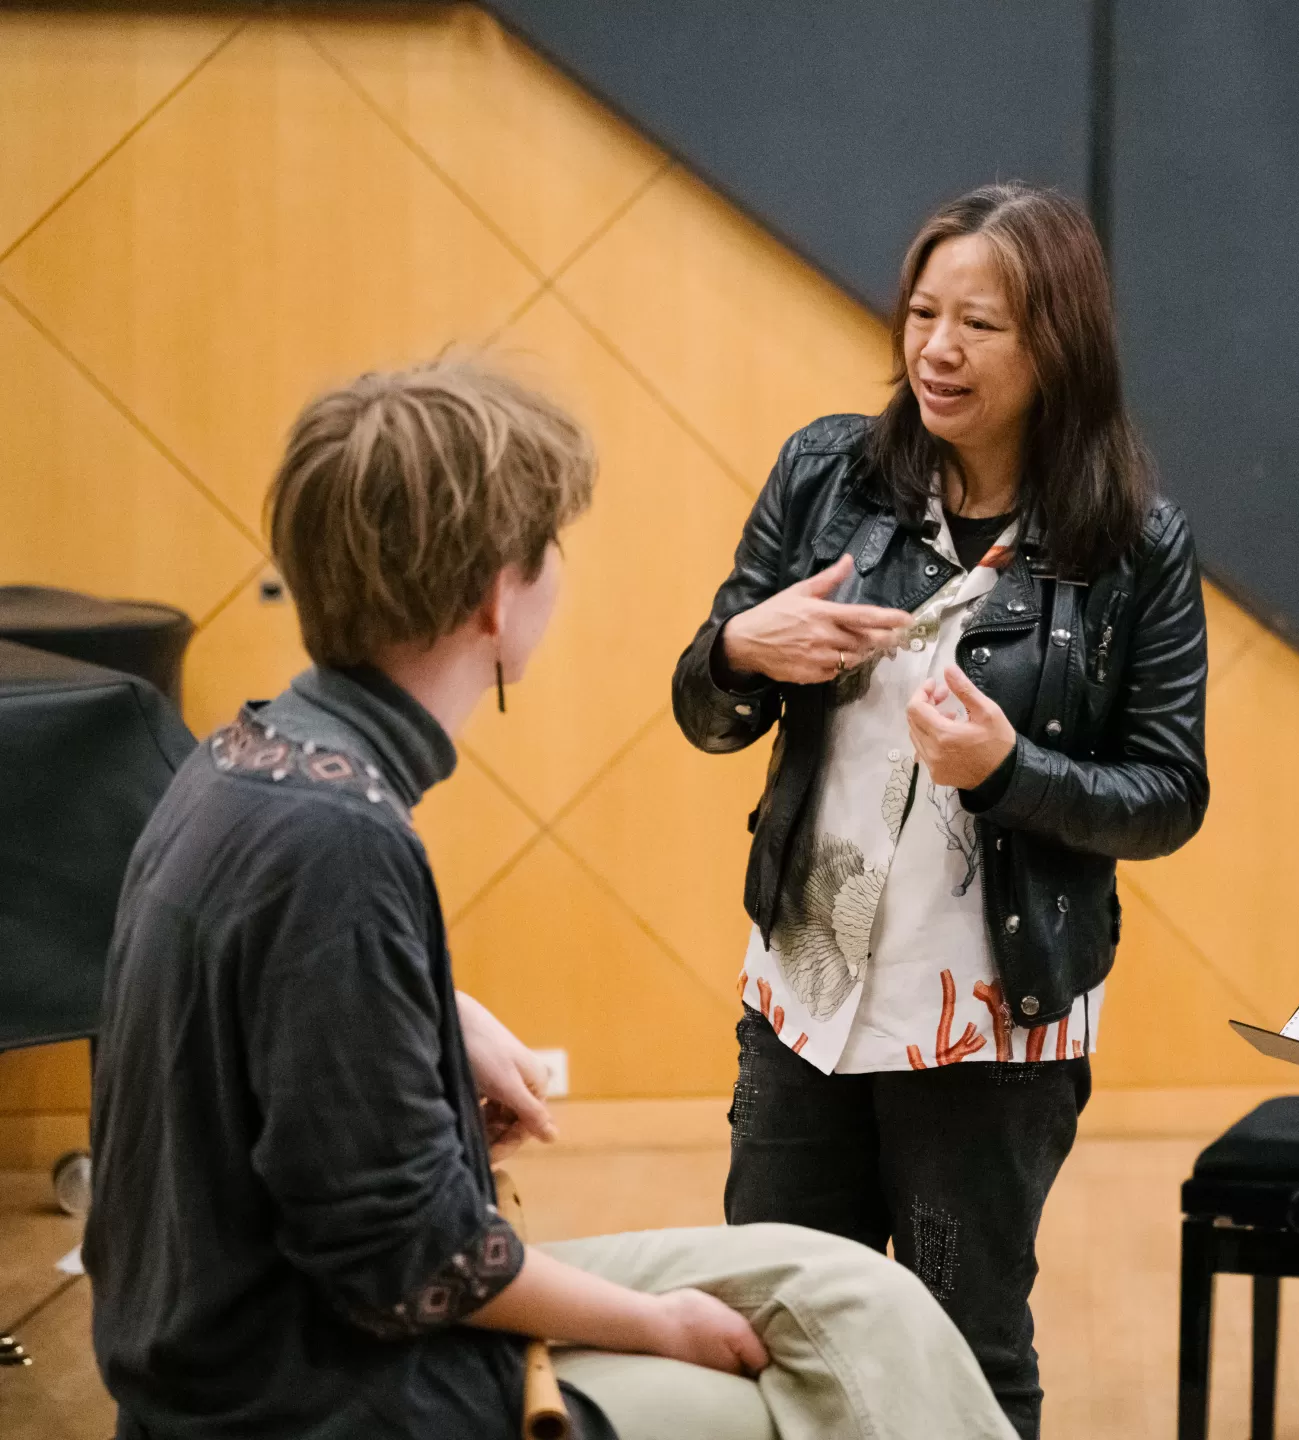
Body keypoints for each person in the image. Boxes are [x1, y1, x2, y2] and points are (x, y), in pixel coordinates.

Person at [83, 360, 1018, 1440]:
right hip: (308, 1388)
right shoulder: (337, 841)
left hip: (277, 1323)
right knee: (788, 1389)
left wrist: (434, 1013)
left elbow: (288, 1026)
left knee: (856, 1294)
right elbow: (411, 1264)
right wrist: (657, 1327)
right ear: (495, 595)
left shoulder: (251, 755)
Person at [672, 182, 1210, 1437]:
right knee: (771, 1329)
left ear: (1057, 346)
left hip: (989, 1022)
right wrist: (742, 649)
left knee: (963, 1354)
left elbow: (1168, 796)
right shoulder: (827, 475)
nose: (937, 350)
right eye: (923, 313)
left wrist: (1010, 771)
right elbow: (709, 712)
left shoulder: (1132, 545)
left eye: (981, 325)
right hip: (805, 994)